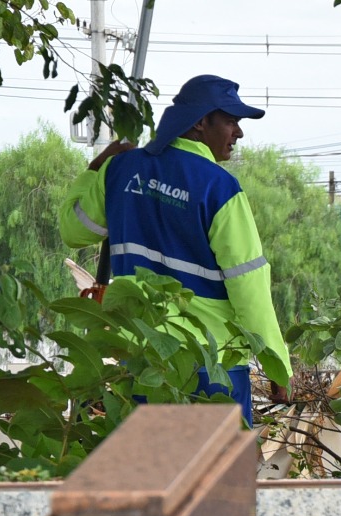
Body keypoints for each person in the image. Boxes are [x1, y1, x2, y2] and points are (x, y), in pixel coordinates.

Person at [58, 74, 289, 424]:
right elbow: (248, 285)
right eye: (230, 121)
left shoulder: (120, 170)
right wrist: (276, 363)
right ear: (200, 123)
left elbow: (74, 230)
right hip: (213, 366)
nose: (238, 133)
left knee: (152, 473)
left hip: (141, 363)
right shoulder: (220, 187)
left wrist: (97, 165)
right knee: (218, 476)